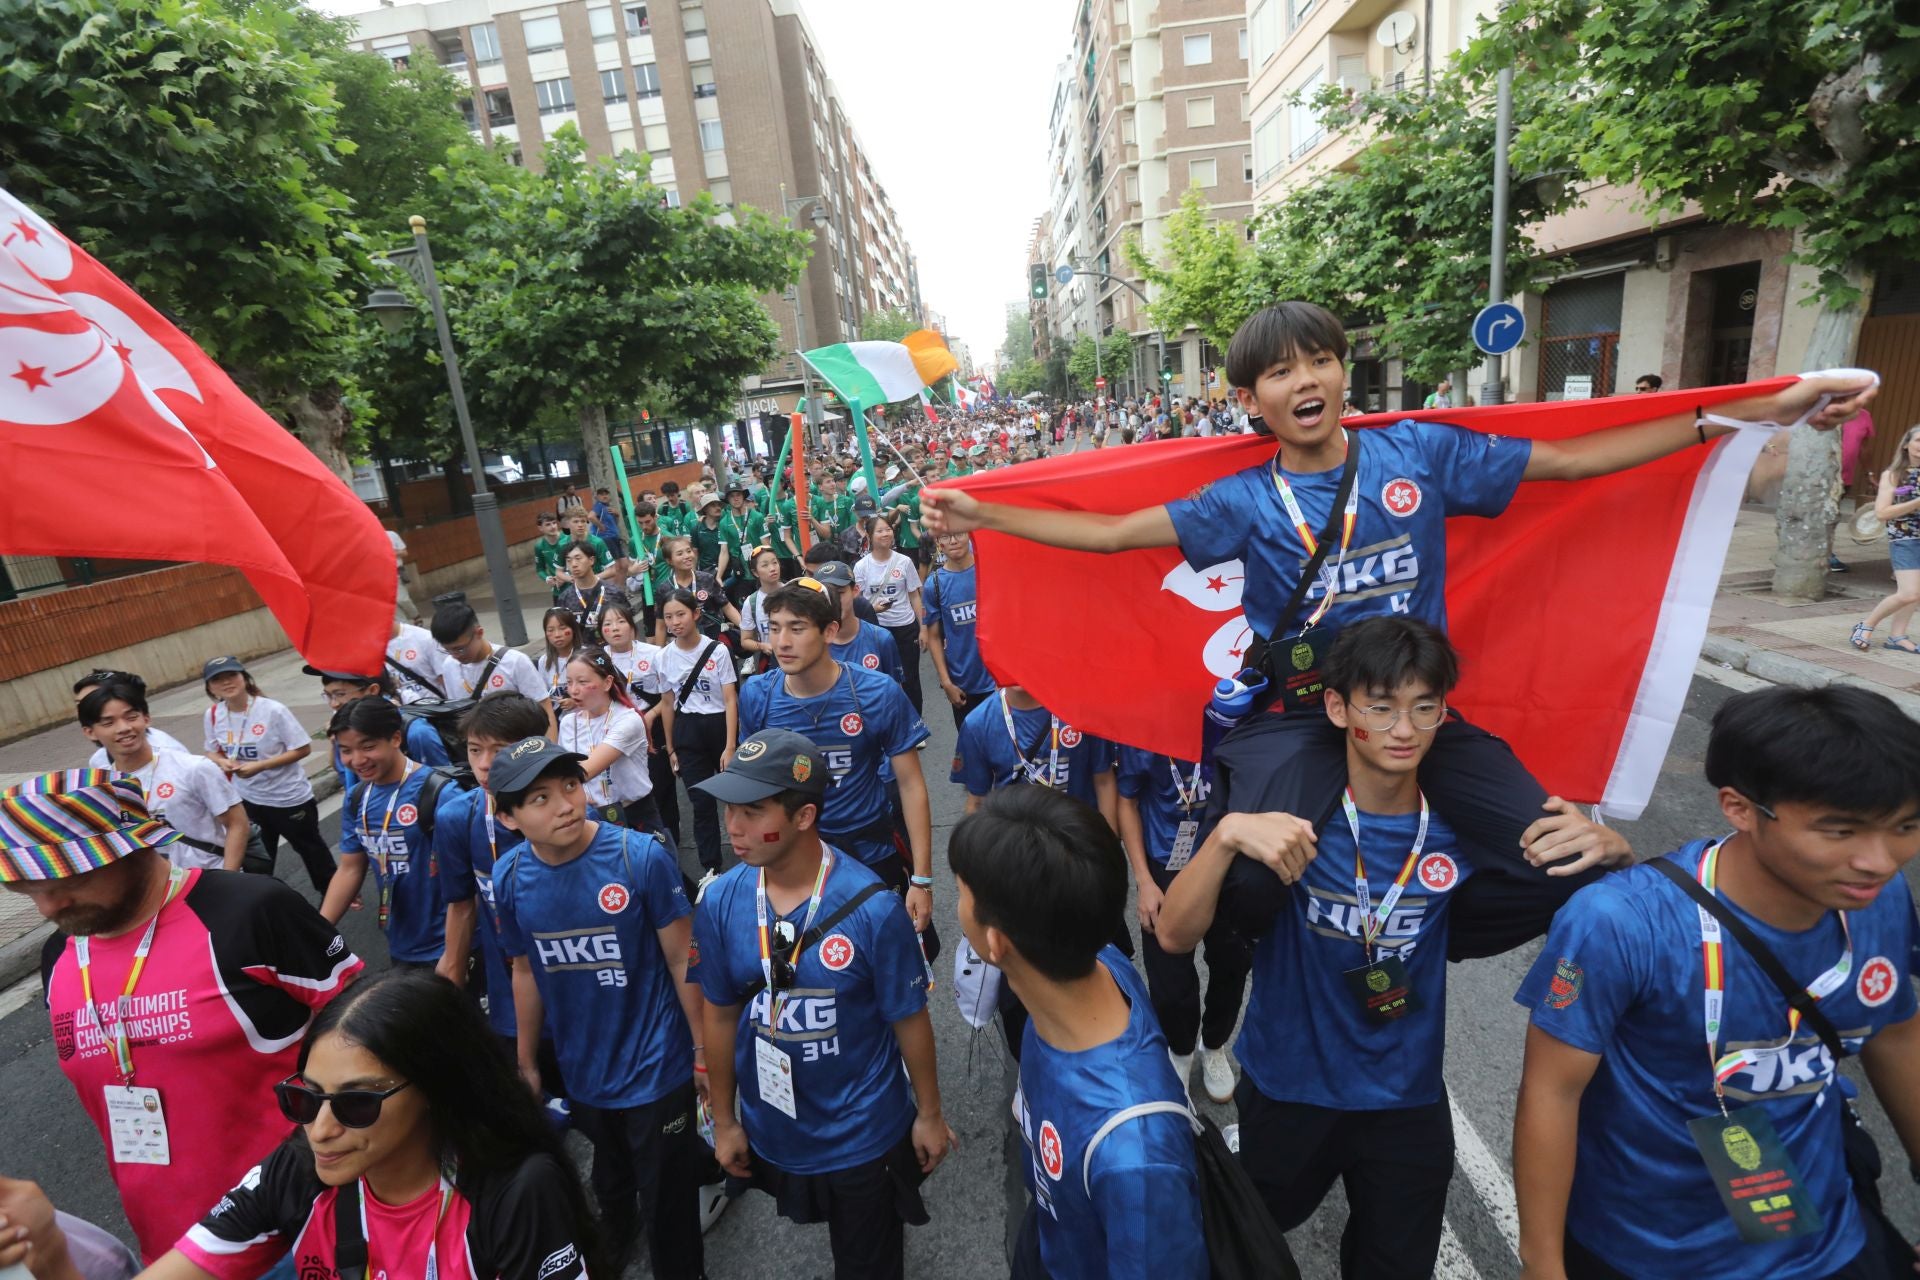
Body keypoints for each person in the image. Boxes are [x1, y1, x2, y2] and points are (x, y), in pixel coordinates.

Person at [923, 300, 1875, 953]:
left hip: (1421, 715)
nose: (1306, 379)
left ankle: (1407, 928)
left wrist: (1739, 414)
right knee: (1247, 892)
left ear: (1343, 372)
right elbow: (1113, 533)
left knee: (1566, 864)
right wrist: (985, 514)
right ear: (1249, 399)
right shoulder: (1242, 500)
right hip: (1296, 717)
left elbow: (1575, 463)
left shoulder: (1419, 450)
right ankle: (1315, 945)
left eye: (1321, 360)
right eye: (1279, 370)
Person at [1158, 617, 1621, 1276]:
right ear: (1339, 708)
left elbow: (1566, 880)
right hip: (1290, 1089)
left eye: (1424, 708)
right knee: (1241, 1247)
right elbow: (1175, 934)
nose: (1404, 730)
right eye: (1382, 707)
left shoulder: (1460, 828)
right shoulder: (1289, 821)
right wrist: (1228, 833)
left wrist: (1612, 852)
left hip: (1406, 1101)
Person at [1512, 685, 1920, 1280]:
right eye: (1841, 831)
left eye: (1906, 827)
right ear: (1740, 807)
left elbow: (1897, 1035)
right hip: (1647, 1252)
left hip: (1825, 1238)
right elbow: (1552, 1093)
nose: (1879, 861)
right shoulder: (1621, 922)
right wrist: (1542, 1263)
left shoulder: (1876, 901)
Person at [2, 968, 598, 1280]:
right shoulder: (299, 1169)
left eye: (357, 1103)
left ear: (439, 1094)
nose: (320, 1129)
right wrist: (51, 1254)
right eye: (304, 1099)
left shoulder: (514, 1191)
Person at [1, 769, 362, 1263]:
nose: (49, 904)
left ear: (135, 845)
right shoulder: (60, 954)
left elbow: (379, 1036)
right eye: (28, 887)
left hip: (299, 1230)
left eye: (71, 877)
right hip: (170, 1247)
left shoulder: (249, 910)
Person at [689, 729, 954, 1280]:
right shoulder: (719, 901)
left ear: (804, 815)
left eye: (751, 810)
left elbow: (909, 1018)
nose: (732, 827)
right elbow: (719, 1012)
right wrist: (725, 1118)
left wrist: (929, 1114)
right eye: (728, 809)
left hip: (863, 1133)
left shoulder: (874, 909)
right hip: (776, 1126)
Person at [950, 785, 1206, 1280]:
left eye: (960, 893)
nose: (957, 905)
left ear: (996, 941)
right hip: (1049, 1235)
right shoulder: (1096, 963)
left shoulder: (1138, 1160)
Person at [490, 737, 714, 1279]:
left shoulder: (639, 857)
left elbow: (685, 959)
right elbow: (524, 970)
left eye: (570, 785)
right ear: (510, 818)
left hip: (657, 1068)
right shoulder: (511, 878)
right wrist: (526, 1062)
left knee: (668, 1207)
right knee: (611, 1184)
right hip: (583, 1069)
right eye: (540, 798)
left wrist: (704, 1055)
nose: (566, 803)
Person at [738, 581, 935, 929]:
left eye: (797, 628)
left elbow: (911, 784)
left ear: (829, 631)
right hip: (795, 860)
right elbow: (752, 786)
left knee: (900, 953)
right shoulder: (757, 695)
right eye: (774, 628)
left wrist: (922, 879)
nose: (781, 642)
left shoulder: (876, 692)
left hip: (871, 852)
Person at [1115, 739, 1249, 1105]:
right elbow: (1125, 800)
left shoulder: (1232, 717)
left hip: (1228, 863)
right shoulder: (1145, 730)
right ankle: (1180, 1051)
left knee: (1231, 965)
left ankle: (1214, 1044)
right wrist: (1143, 880)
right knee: (1170, 980)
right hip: (1165, 868)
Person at [434, 692, 548, 1025]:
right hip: (508, 980)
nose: (484, 764)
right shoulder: (456, 817)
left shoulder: (570, 814)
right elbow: (461, 904)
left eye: (498, 750)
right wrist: (452, 972)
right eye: (474, 750)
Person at [319, 698, 447, 972]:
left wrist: (457, 955)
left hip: (451, 944)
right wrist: (317, 930)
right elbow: (350, 869)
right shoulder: (356, 798)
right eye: (346, 751)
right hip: (401, 943)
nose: (357, 760)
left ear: (395, 738)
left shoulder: (438, 793)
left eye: (368, 747)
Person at [79, 683, 249, 872]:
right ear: (90, 732)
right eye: (108, 723)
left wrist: (228, 878)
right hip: (157, 888)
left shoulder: (193, 768)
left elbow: (238, 824)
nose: (124, 728)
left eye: (131, 717)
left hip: (210, 878)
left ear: (146, 718)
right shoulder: (103, 784)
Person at [200, 657, 333, 891]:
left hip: (288, 797)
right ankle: (263, 902)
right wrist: (223, 762)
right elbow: (211, 751)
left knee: (311, 849)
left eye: (231, 675)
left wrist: (260, 766)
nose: (226, 682)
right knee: (258, 860)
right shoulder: (213, 715)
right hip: (248, 799)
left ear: (244, 678)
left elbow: (302, 748)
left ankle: (333, 894)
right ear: (210, 688)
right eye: (217, 680)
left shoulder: (272, 710)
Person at [657, 589, 739, 881]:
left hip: (719, 727)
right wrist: (671, 748)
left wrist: (730, 746)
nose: (675, 622)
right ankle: (712, 869)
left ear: (695, 614)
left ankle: (748, 864)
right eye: (668, 616)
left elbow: (730, 699)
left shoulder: (717, 650)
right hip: (687, 731)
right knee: (701, 803)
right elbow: (667, 703)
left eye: (680, 614)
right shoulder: (664, 656)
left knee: (736, 799)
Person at [558, 647, 670, 842]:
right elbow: (564, 771)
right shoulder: (569, 723)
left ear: (607, 682)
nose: (573, 690)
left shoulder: (628, 720)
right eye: (569, 682)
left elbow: (583, 771)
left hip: (635, 813)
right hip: (591, 816)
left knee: (648, 868)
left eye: (583, 682)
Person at [305, 667, 450, 794]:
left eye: (340, 694)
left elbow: (442, 787)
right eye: (328, 696)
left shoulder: (416, 732)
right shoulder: (343, 730)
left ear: (372, 690)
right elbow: (347, 779)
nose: (334, 704)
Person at [430, 602, 555, 735]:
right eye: (448, 650)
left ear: (479, 633)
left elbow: (544, 708)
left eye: (460, 649)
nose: (455, 656)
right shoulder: (449, 666)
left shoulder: (515, 662)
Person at [1851, 424, 1920, 653]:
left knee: (1916, 594)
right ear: (1907, 445)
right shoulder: (1892, 475)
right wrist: (1916, 502)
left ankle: (1897, 637)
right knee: (1908, 592)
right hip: (1905, 539)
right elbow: (1882, 513)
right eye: (1918, 441)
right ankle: (1865, 626)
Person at [920, 530, 996, 735]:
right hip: (963, 685)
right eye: (945, 536)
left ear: (969, 535)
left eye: (958, 534)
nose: (953, 541)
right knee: (972, 750)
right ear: (938, 542)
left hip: (998, 681)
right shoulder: (934, 584)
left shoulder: (990, 570)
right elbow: (934, 637)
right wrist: (946, 683)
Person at [855, 514, 926, 715]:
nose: (886, 533)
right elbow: (858, 602)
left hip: (905, 627)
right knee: (883, 679)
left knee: (910, 678)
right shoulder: (861, 566)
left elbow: (914, 596)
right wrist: (873, 610)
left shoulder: (904, 562)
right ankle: (890, 723)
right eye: (880, 530)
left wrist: (923, 628)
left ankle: (915, 723)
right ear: (869, 535)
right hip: (877, 630)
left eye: (888, 529)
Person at [812, 560, 906, 683]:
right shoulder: (812, 644)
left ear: (855, 591)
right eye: (826, 594)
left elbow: (895, 692)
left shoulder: (881, 639)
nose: (834, 600)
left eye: (839, 593)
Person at [73, 671, 188, 768]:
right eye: (79, 704)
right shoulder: (99, 761)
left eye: (92, 699)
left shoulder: (169, 756)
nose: (82, 710)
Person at [654, 536, 739, 646]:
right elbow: (661, 625)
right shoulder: (664, 589)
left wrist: (747, 630)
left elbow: (727, 607)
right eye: (680, 554)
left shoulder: (707, 579)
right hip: (683, 642)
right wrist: (658, 654)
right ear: (669, 560)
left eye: (688, 551)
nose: (687, 556)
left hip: (713, 638)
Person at [556, 544, 622, 641]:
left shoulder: (614, 592)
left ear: (591, 560)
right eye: (569, 561)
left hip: (611, 652)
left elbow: (628, 627)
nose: (574, 564)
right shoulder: (564, 598)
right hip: (581, 653)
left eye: (578, 558)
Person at [737, 545, 786, 673]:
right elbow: (745, 640)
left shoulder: (793, 592)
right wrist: (762, 646)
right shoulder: (751, 602)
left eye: (775, 562)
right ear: (755, 572)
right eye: (765, 565)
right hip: (771, 663)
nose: (772, 568)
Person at [534, 606, 588, 712]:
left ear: (573, 629)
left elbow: (595, 691)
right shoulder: (544, 661)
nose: (557, 635)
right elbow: (543, 694)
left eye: (563, 628)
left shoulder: (586, 656)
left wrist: (575, 702)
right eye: (550, 630)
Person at [383, 618, 447, 703]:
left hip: (438, 708)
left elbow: (446, 679)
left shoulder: (424, 638)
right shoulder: (369, 650)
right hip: (405, 713)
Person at [531, 510, 570, 600]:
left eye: (554, 523)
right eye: (548, 524)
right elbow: (540, 569)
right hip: (558, 591)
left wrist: (564, 576)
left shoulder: (568, 539)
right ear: (540, 528)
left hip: (573, 586)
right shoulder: (539, 546)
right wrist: (547, 578)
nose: (553, 527)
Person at [592, 485, 626, 559]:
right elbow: (590, 516)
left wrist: (617, 514)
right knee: (616, 562)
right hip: (606, 538)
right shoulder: (599, 505)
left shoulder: (607, 507)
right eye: (601, 494)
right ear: (597, 497)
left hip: (614, 537)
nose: (604, 496)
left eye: (606, 494)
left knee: (623, 561)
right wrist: (600, 526)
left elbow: (615, 524)